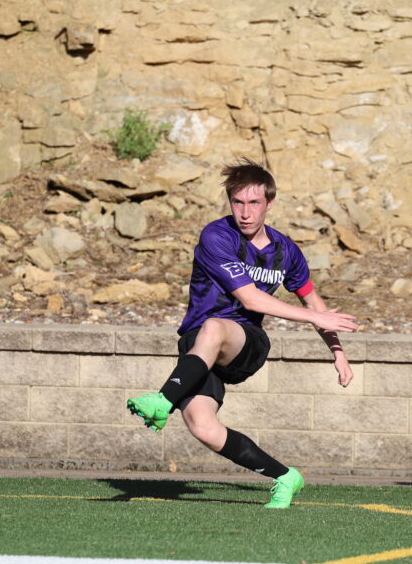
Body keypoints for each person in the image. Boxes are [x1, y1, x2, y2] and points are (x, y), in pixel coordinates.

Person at [127, 158, 358, 509]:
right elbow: (251, 295)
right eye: (238, 202)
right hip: (198, 348)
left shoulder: (287, 252)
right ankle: (285, 477)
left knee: (216, 326)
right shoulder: (216, 236)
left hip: (244, 343)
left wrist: (338, 353)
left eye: (254, 203)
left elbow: (315, 305)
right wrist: (317, 320)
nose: (245, 212)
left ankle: (162, 400)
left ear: (269, 203)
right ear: (229, 202)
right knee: (202, 426)